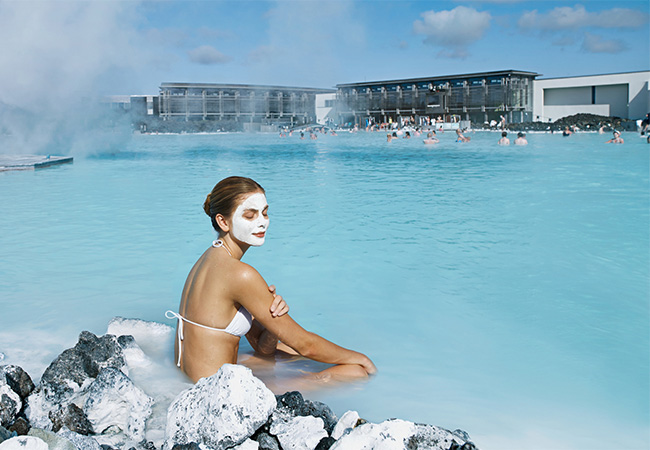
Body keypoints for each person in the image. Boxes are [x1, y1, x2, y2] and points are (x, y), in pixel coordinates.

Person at [167, 177, 376, 385]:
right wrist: (362, 359)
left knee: (285, 350)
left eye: (265, 212)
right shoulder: (240, 274)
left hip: (193, 382)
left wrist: (268, 316)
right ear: (223, 221)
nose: (262, 222)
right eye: (250, 215)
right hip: (216, 395)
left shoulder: (208, 260)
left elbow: (263, 348)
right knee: (355, 372)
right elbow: (306, 345)